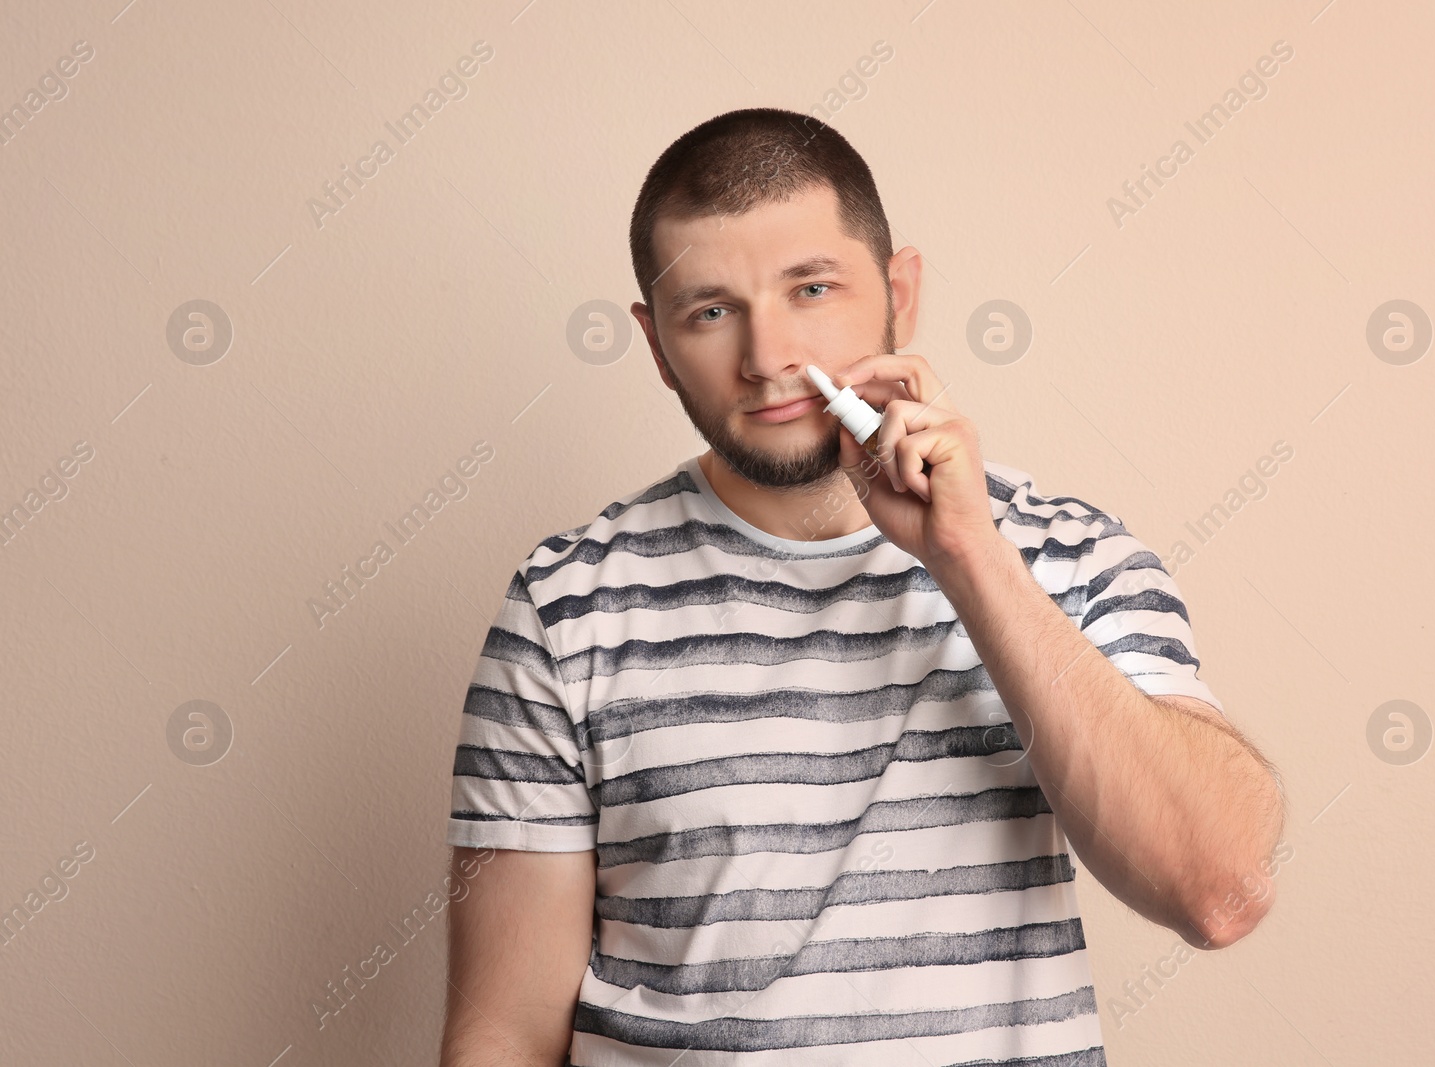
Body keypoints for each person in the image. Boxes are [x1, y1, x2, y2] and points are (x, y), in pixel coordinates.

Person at [439, 107, 1285, 1067]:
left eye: (811, 288)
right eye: (711, 310)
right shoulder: (565, 608)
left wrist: (969, 558)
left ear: (900, 292)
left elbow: (1217, 889)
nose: (768, 358)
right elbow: (504, 1032)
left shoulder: (1068, 558)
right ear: (656, 342)